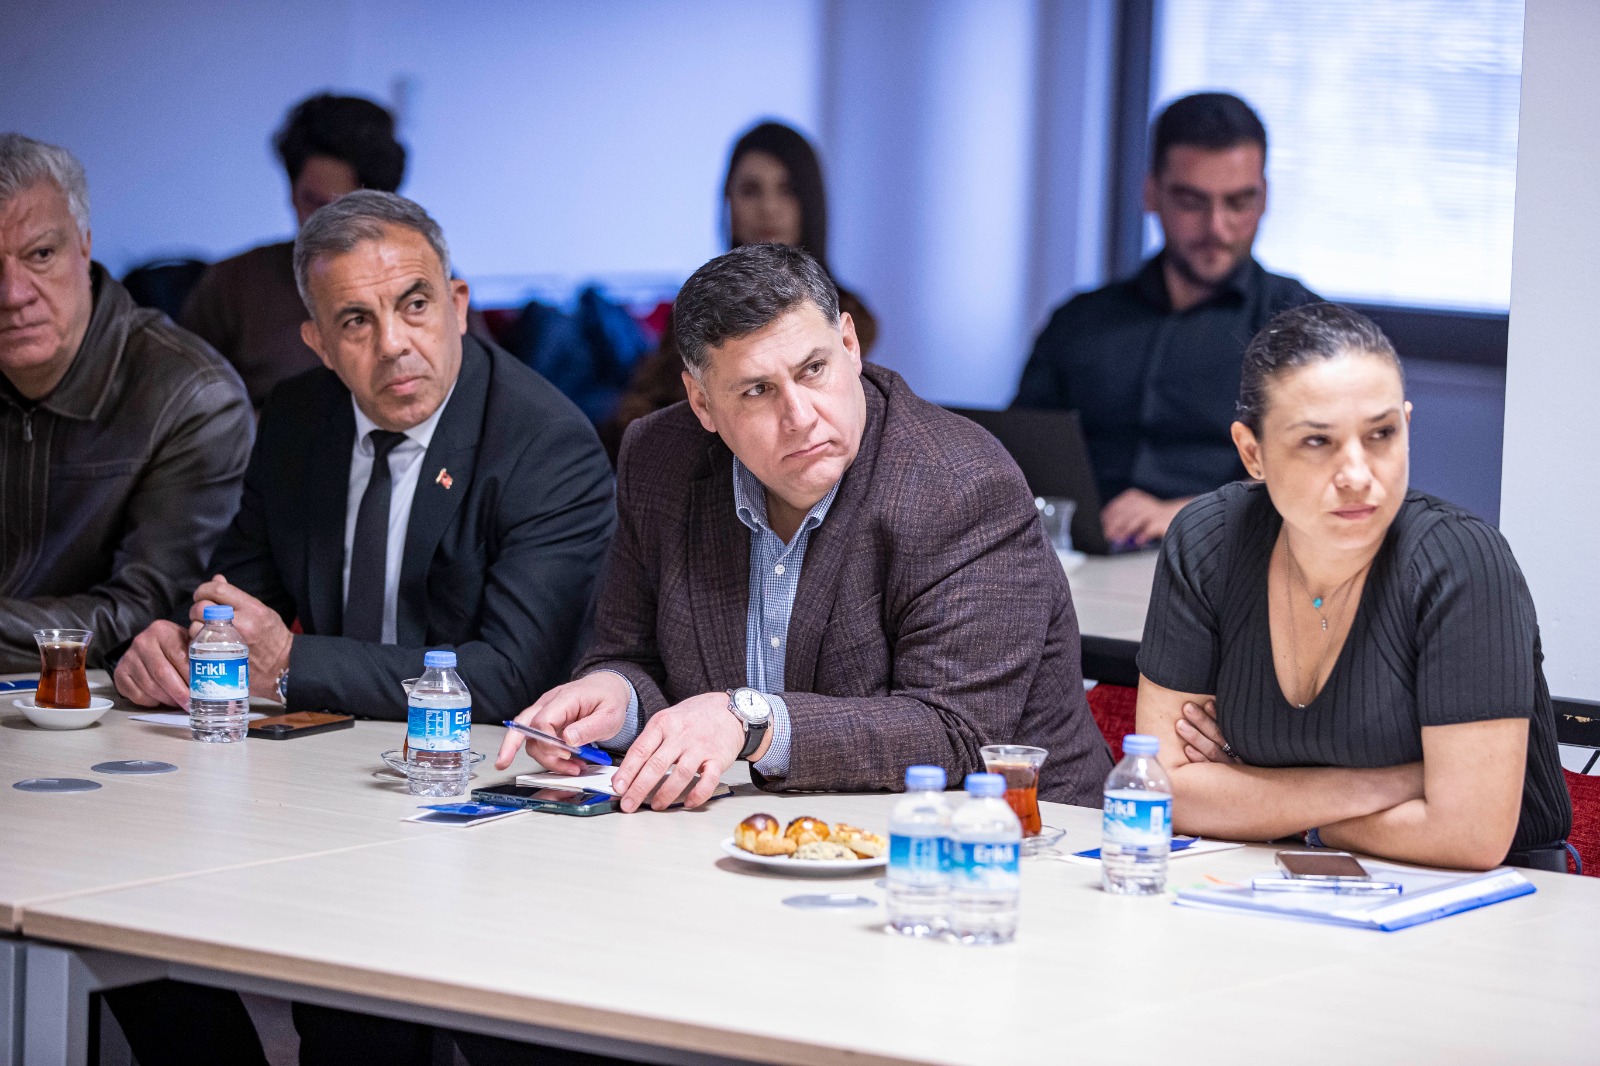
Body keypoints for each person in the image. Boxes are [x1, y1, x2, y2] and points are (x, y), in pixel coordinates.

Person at [106, 190, 615, 1064]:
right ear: (317, 341)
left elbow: (508, 677)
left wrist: (287, 662)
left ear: (458, 304)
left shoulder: (544, 443)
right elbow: (235, 599)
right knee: (144, 921)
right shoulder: (297, 420)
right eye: (355, 321)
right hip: (330, 795)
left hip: (493, 810)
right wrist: (182, 643)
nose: (393, 344)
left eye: (414, 305)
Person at [501, 243, 1111, 814]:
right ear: (702, 403)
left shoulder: (962, 484)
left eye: (814, 369)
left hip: (1010, 838)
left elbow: (955, 733)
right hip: (756, 829)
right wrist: (616, 697)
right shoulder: (660, 458)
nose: (799, 417)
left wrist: (750, 723)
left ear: (849, 344)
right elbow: (633, 654)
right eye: (757, 390)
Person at [1135, 303, 1571, 872]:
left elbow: (1471, 835)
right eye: (1318, 442)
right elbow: (1163, 791)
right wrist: (1395, 783)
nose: (1358, 475)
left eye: (1381, 434)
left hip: (1497, 893)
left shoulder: (1461, 561)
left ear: (1407, 426)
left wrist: (1257, 799)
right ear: (1252, 453)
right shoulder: (1207, 540)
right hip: (1278, 873)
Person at [1014, 92, 1318, 548]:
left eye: (1239, 203)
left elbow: (1321, 468)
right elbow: (1018, 455)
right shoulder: (1079, 323)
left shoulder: (1300, 326)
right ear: (1151, 194)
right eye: (1192, 202)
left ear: (1264, 198)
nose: (1217, 228)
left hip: (1231, 555)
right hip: (1079, 559)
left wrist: (1189, 513)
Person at [0, 133, 252, 672]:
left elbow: (149, 616)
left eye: (40, 255)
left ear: (84, 246)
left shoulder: (193, 397)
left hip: (104, 700)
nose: (13, 294)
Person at [599, 120, 877, 461]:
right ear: (728, 200)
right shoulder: (694, 311)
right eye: (750, 190)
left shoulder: (845, 316)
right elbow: (639, 413)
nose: (768, 207)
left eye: (787, 189)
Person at [180, 93, 407, 407]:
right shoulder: (234, 285)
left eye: (344, 209)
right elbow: (179, 401)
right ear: (291, 192)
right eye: (312, 202)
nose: (325, 224)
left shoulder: (421, 286)